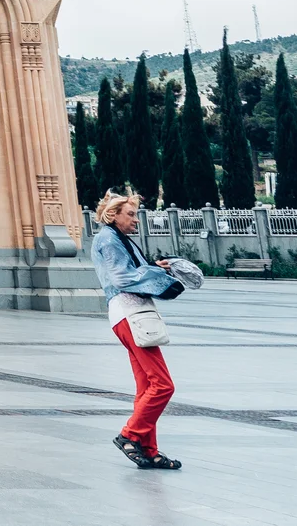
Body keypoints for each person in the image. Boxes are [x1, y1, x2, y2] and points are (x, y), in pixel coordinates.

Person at [89, 189, 186, 470]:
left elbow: (131, 270)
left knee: (146, 386)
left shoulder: (117, 239)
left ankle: (149, 450)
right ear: (114, 214)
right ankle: (130, 435)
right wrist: (158, 274)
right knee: (163, 385)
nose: (136, 220)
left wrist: (154, 267)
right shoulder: (108, 238)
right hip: (130, 314)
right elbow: (122, 276)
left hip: (129, 314)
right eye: (130, 214)